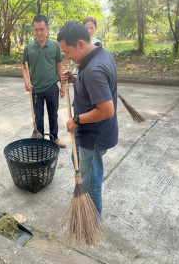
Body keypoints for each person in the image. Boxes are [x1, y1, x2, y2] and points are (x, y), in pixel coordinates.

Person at [57, 21, 118, 216]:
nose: (67, 57)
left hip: (93, 137)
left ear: (81, 44)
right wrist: (76, 79)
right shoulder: (101, 54)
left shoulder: (93, 70)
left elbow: (107, 109)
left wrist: (77, 119)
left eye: (67, 52)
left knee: (90, 183)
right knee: (88, 174)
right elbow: (96, 88)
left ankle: (92, 223)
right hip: (98, 133)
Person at [22, 14, 66, 148]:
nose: (39, 32)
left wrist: (62, 85)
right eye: (36, 29)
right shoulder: (28, 48)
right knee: (38, 117)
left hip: (52, 86)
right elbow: (25, 67)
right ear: (33, 30)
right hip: (36, 89)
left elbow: (59, 65)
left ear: (47, 28)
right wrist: (26, 81)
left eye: (42, 29)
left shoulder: (55, 46)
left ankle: (54, 138)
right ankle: (39, 140)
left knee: (53, 115)